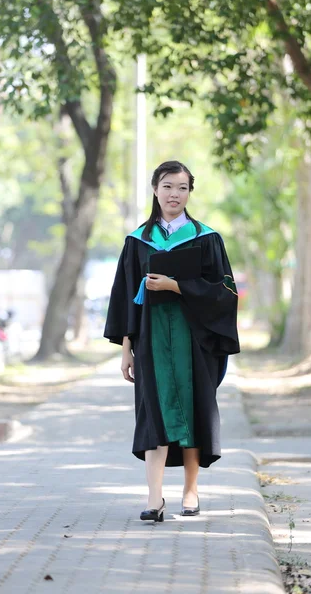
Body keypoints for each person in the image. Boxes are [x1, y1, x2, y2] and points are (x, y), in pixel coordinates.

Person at [103, 160, 240, 522]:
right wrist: (127, 351)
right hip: (150, 343)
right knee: (153, 414)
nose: (173, 194)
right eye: (167, 186)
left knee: (193, 412)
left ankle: (191, 491)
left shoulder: (207, 238)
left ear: (190, 192)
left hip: (194, 343)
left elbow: (226, 291)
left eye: (181, 187)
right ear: (154, 189)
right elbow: (123, 300)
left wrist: (177, 286)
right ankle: (154, 498)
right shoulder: (138, 241)